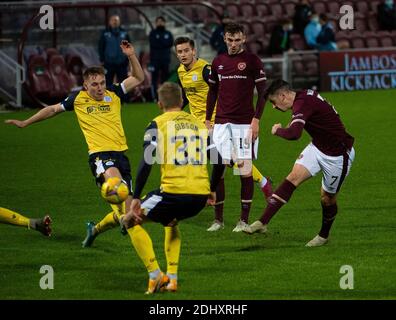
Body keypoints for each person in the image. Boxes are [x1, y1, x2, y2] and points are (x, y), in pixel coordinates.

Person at [5, 41, 144, 248]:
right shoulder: (77, 99)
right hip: (100, 156)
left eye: (102, 83)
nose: (99, 88)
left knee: (128, 214)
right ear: (85, 85)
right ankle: (152, 270)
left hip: (121, 155)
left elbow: (139, 78)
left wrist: (131, 56)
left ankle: (94, 230)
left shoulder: (113, 93)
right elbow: (52, 110)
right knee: (118, 189)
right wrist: (26, 122)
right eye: (94, 84)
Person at [120, 82, 219, 294]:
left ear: (159, 104)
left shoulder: (157, 124)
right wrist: (211, 188)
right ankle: (172, 279)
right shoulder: (200, 124)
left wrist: (136, 196)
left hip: (173, 194)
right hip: (199, 199)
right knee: (170, 220)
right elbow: (219, 160)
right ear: (182, 101)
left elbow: (147, 161)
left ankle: (155, 275)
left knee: (129, 219)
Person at [174, 36, 273, 232]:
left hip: (220, 122)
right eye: (180, 52)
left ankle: (260, 183)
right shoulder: (179, 72)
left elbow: (220, 91)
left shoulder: (206, 69)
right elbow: (188, 96)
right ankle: (215, 214)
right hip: (199, 125)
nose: (184, 55)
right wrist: (175, 109)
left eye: (187, 51)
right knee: (220, 164)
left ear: (194, 51)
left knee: (232, 162)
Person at [246, 80, 355, 247]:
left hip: (338, 155)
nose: (274, 107)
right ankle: (262, 222)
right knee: (293, 177)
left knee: (327, 198)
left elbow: (294, 134)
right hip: (318, 146)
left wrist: (278, 130)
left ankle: (323, 236)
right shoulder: (303, 96)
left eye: (273, 102)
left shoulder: (302, 103)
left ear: (283, 96)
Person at [206, 23, 269, 233]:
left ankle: (243, 220)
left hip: (244, 123)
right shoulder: (218, 62)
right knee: (220, 169)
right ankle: (218, 220)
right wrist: (208, 120)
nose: (233, 44)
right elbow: (212, 92)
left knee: (244, 170)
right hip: (222, 123)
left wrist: (256, 119)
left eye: (237, 40)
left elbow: (263, 93)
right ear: (224, 39)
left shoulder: (252, 61)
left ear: (244, 39)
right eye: (230, 40)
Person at [98, 15, 131, 86]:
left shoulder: (124, 33)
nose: (115, 22)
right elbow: (101, 47)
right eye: (113, 20)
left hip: (122, 64)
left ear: (119, 22)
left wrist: (127, 60)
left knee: (123, 84)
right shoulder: (105, 33)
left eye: (116, 20)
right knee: (107, 83)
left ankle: (123, 97)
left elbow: (128, 47)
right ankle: (108, 97)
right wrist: (102, 60)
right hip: (109, 64)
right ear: (110, 22)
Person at [148, 16, 174, 101]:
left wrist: (160, 41)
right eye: (158, 21)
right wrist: (163, 44)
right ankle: (155, 97)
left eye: (161, 21)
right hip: (154, 60)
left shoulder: (168, 33)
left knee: (165, 79)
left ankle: (165, 96)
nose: (160, 23)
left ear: (164, 23)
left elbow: (170, 43)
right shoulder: (152, 33)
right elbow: (154, 44)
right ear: (156, 23)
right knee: (154, 79)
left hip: (165, 60)